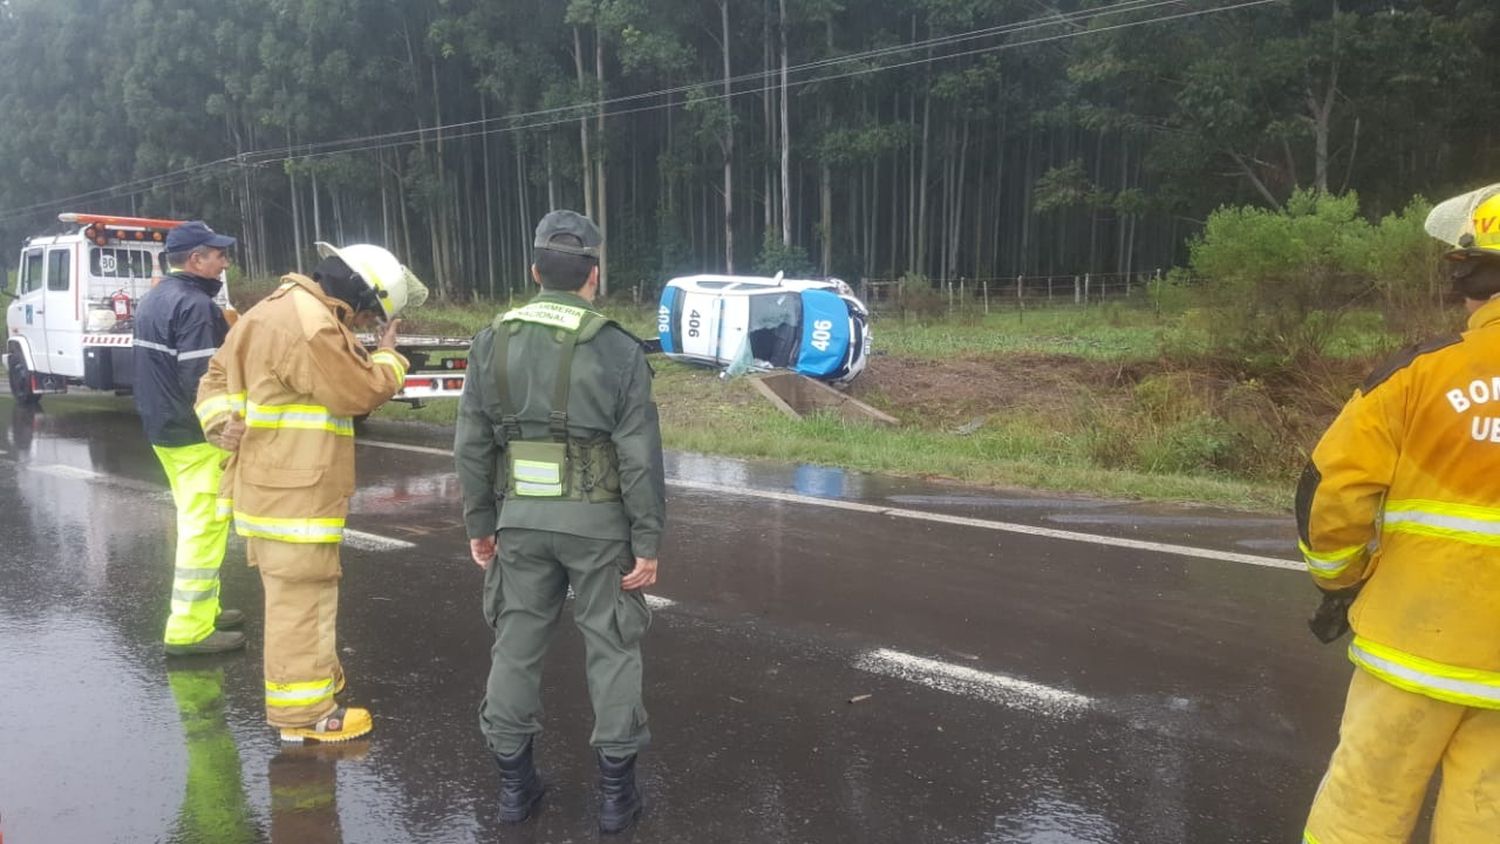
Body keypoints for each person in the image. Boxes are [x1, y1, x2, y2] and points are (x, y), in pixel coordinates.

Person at [1298, 184, 1500, 843]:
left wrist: (1340, 579)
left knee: (1364, 810)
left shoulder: (1419, 373)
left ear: (1470, 274)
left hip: (1412, 645)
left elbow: (1333, 492)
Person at [454, 210, 666, 834]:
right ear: (593, 276)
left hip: (519, 523)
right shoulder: (616, 347)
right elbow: (639, 457)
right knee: (612, 648)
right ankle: (613, 800)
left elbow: (471, 445)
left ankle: (516, 792)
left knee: (515, 647)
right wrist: (647, 540)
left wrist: (480, 523)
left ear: (534, 271)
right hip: (600, 528)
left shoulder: (492, 339)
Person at [195, 241, 424, 743]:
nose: (362, 320)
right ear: (357, 292)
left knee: (299, 597)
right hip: (293, 498)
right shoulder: (312, 323)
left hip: (269, 487)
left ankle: (315, 675)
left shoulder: (267, 310)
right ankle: (304, 716)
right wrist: (390, 357)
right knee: (300, 602)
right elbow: (359, 392)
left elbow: (213, 377)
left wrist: (219, 427)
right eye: (367, 310)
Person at [133, 220, 244, 656]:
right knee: (204, 526)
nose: (225, 261)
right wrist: (221, 428)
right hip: (193, 435)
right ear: (196, 260)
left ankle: (207, 609)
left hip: (164, 428)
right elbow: (203, 378)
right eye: (219, 255)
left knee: (195, 519)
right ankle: (189, 632)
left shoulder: (156, 298)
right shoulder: (196, 307)